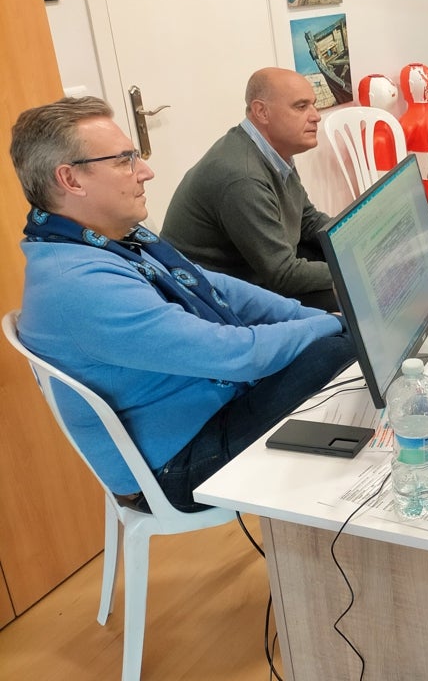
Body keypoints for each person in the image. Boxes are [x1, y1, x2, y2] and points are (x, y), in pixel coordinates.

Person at [11, 96, 356, 511]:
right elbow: (235, 355)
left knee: (343, 345)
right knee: (346, 351)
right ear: (71, 180)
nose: (145, 171)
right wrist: (331, 324)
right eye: (124, 160)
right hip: (174, 465)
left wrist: (316, 318)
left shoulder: (115, 241)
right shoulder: (78, 284)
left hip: (204, 410)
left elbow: (225, 290)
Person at [161, 67, 337, 311]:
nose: (316, 116)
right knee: (359, 296)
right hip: (216, 298)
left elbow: (306, 220)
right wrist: (354, 268)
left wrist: (354, 239)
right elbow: (283, 275)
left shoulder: (274, 151)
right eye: (301, 106)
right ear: (261, 112)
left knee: (344, 265)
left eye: (313, 105)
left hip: (256, 266)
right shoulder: (243, 177)